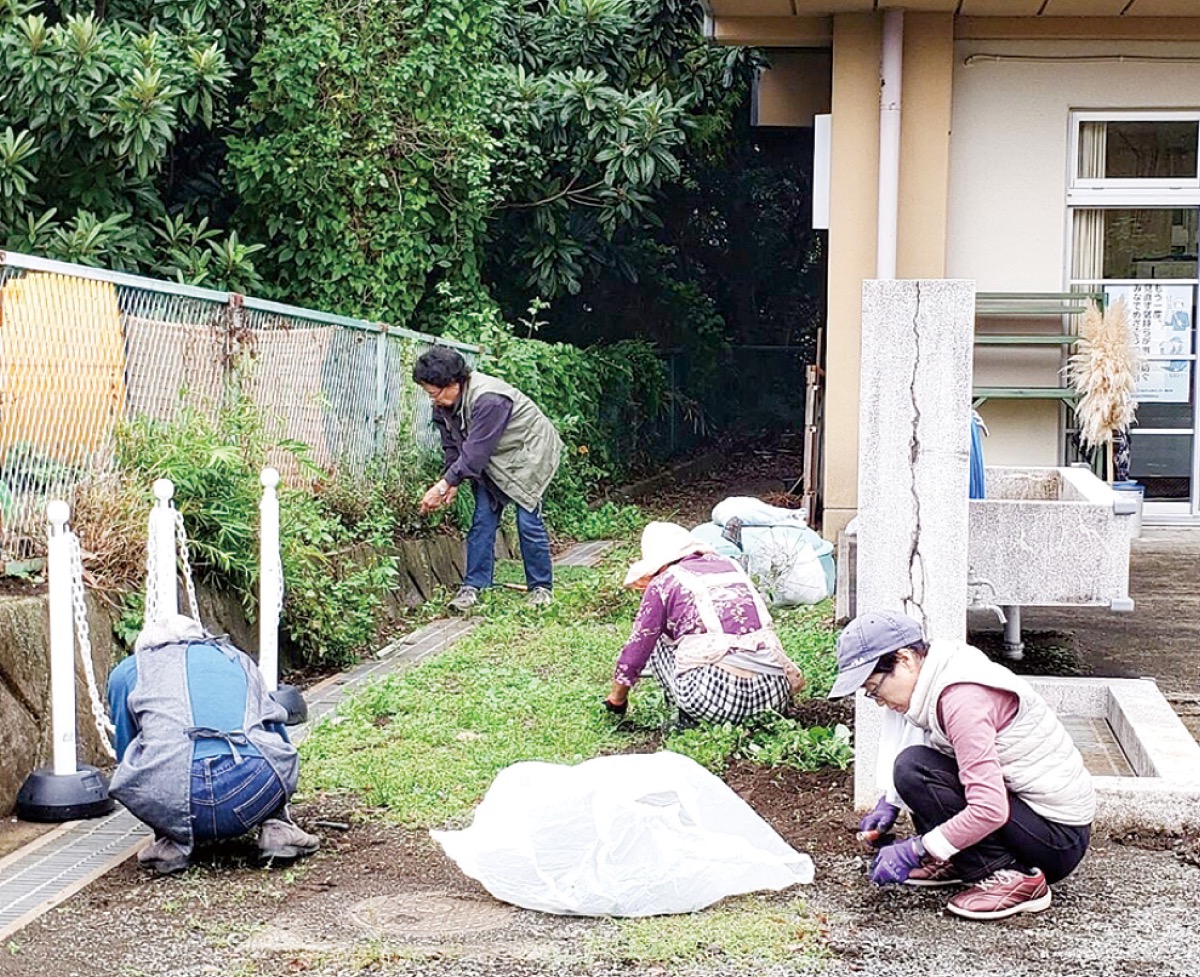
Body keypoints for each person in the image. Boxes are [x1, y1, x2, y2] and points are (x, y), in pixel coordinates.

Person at [829, 610, 1094, 921]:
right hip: (1028, 817)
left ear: (905, 659)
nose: (879, 701)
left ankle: (1012, 878)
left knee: (915, 770)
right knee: (912, 767)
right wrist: (890, 803)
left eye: (875, 689)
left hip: (1056, 838)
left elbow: (989, 809)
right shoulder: (937, 675)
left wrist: (917, 849)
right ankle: (959, 860)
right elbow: (925, 747)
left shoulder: (962, 699)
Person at [107, 615, 320, 875]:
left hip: (177, 796)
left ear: (146, 648)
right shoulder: (235, 657)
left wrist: (156, 804)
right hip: (255, 788)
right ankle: (278, 827)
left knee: (156, 757)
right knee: (263, 742)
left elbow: (125, 745)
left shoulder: (130, 670)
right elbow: (271, 724)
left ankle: (171, 843)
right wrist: (282, 788)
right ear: (202, 637)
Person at [604, 522, 805, 725]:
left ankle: (684, 712)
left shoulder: (663, 582)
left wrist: (617, 699)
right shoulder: (732, 566)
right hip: (774, 696)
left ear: (659, 562)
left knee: (655, 638)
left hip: (714, 700)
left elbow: (637, 648)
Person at [413, 347, 563, 611]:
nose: (432, 400)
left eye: (433, 392)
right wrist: (451, 482)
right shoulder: (444, 406)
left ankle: (541, 589)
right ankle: (474, 587)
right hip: (494, 457)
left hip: (529, 452)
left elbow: (475, 453)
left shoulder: (489, 399)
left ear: (452, 383)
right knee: (482, 519)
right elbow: (454, 447)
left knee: (527, 519)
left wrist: (444, 485)